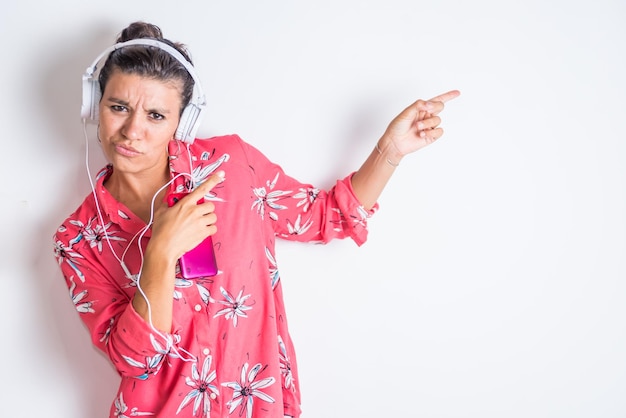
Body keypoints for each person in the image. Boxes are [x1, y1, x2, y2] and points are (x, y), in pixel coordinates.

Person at [53, 21, 459, 418]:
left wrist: (390, 150)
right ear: (95, 105)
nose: (132, 131)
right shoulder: (77, 240)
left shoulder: (232, 167)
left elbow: (327, 216)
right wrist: (160, 253)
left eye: (156, 115)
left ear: (182, 122)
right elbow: (134, 360)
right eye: (118, 107)